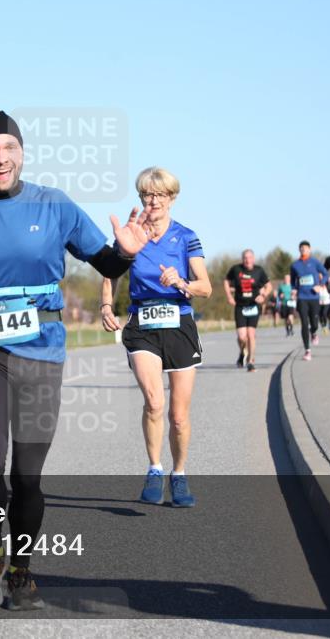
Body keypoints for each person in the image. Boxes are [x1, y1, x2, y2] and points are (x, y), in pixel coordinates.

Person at [0, 108, 151, 611]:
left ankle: (22, 571)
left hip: (41, 354)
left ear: (22, 152)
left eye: (9, 147)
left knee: (27, 477)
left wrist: (126, 253)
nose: (0, 158)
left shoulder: (54, 205)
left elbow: (104, 260)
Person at [102, 167, 211, 504]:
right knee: (154, 402)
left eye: (160, 195)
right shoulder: (132, 235)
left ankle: (179, 475)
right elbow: (110, 273)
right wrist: (106, 305)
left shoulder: (186, 237)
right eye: (147, 194)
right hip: (143, 325)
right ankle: (154, 469)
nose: (153, 201)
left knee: (178, 416)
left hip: (179, 324)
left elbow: (205, 287)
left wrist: (181, 282)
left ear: (172, 198)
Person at [224, 249, 270, 372]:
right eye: (245, 257)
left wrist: (263, 296)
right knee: (241, 337)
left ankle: (251, 361)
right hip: (240, 306)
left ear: (253, 259)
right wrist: (229, 296)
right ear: (242, 259)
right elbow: (226, 281)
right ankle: (242, 352)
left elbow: (269, 286)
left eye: (249, 257)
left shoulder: (259, 271)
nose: (247, 260)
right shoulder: (236, 269)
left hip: (254, 306)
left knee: (251, 334)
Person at [289, 241, 329, 361]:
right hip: (302, 297)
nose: (303, 250)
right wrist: (294, 289)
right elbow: (292, 281)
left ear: (309, 249)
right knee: (304, 324)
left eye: (305, 248)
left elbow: (326, 274)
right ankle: (307, 351)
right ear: (299, 250)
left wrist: (320, 285)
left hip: (314, 297)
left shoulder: (315, 262)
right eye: (301, 248)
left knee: (314, 323)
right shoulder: (295, 265)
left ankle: (314, 333)